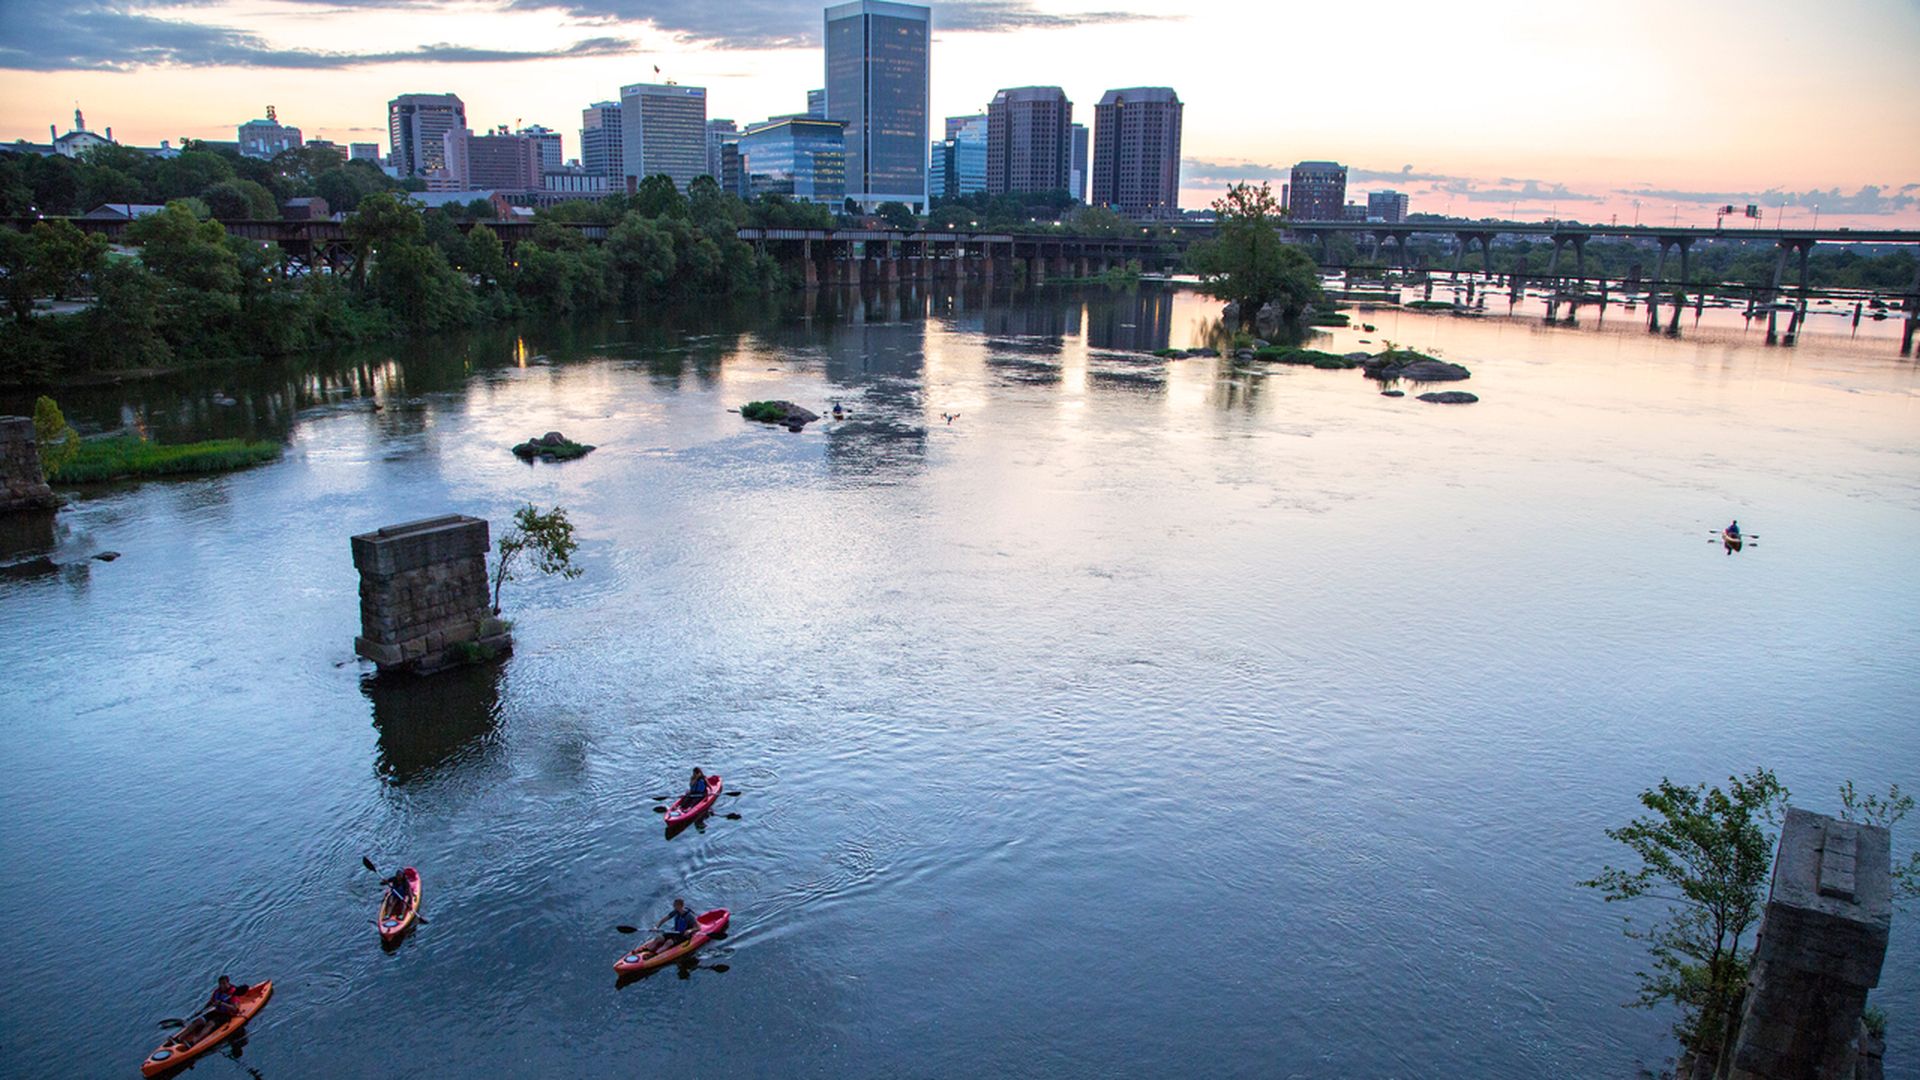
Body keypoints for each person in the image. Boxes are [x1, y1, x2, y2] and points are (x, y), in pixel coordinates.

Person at [171, 976, 249, 1046]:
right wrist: (202, 1010)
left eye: (224, 984)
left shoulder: (233, 994)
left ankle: (193, 1041)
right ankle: (179, 1038)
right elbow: (210, 1002)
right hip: (216, 1012)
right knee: (198, 1021)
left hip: (226, 1015)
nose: (222, 986)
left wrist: (222, 1003)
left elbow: (235, 1008)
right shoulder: (217, 991)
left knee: (210, 1024)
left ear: (228, 983)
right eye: (220, 984)